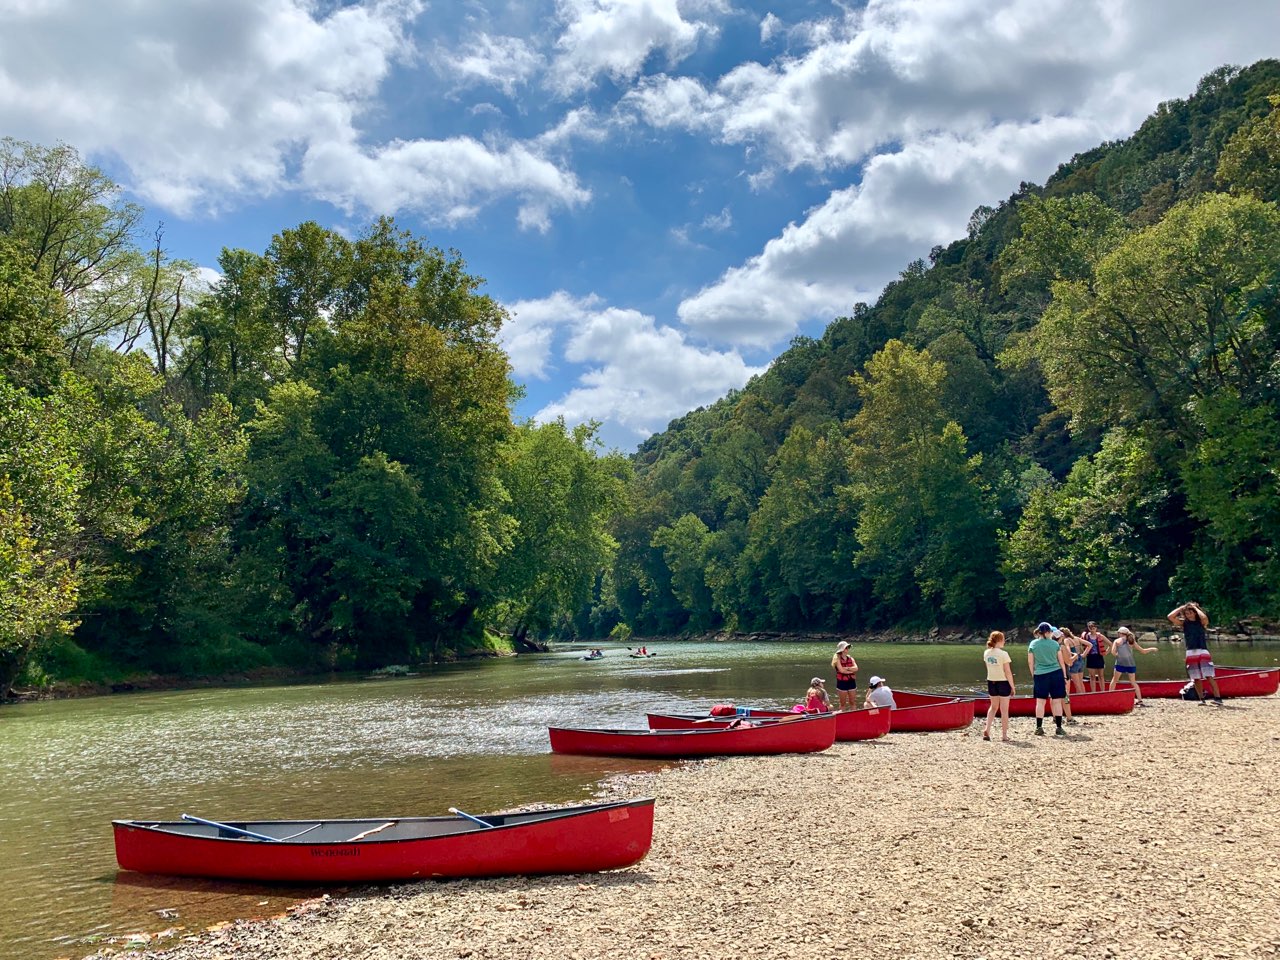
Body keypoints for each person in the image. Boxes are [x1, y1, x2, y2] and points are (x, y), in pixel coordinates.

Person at [1168, 601, 1222, 704]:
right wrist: (1182, 608)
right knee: (1195, 677)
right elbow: (1170, 616)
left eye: (1190, 613)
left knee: (1209, 676)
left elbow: (1205, 618)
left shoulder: (1201, 622)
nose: (1188, 615)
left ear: (1195, 613)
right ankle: (1202, 699)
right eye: (1187, 613)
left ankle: (1218, 698)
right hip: (1190, 651)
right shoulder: (1185, 623)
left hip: (1202, 650)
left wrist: (1195, 608)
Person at [1028, 621, 1068, 737]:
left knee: (1040, 702)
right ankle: (1059, 727)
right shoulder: (1055, 644)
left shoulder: (1033, 644)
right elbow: (1061, 661)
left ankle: (1039, 727)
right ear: (1047, 632)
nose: (1051, 633)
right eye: (1050, 631)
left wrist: (1033, 675)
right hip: (1056, 673)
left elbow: (1031, 662)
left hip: (1040, 674)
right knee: (1056, 701)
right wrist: (1064, 675)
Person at [981, 631, 1015, 742]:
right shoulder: (1003, 654)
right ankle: (1004, 735)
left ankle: (987, 729)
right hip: (1003, 682)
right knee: (1004, 710)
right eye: (1003, 639)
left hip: (991, 681)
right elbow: (1008, 672)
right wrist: (1012, 686)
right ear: (999, 641)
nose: (1004, 641)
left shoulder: (986, 653)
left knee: (993, 707)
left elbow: (987, 668)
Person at [1109, 626, 1156, 704]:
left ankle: (1110, 697)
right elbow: (1143, 651)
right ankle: (1140, 700)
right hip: (1131, 664)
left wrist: (1119, 655)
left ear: (1120, 633)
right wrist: (1152, 649)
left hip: (1120, 663)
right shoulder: (1131, 641)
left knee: (1114, 680)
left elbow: (1113, 652)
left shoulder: (1117, 641)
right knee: (1133, 682)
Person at [1081, 621, 1111, 691]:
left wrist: (1106, 652)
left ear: (1096, 628)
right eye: (1090, 627)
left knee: (1101, 676)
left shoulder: (1100, 636)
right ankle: (1093, 692)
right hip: (1090, 657)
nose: (1092, 629)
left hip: (1099, 656)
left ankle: (1103, 691)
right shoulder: (1086, 636)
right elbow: (1081, 645)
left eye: (1093, 627)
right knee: (1092, 676)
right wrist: (1083, 653)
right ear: (1088, 628)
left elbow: (1110, 644)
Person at [1059, 626, 1089, 695]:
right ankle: (1084, 699)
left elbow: (1069, 652)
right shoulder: (1076, 638)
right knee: (1081, 682)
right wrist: (1084, 654)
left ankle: (1080, 700)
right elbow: (1090, 645)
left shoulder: (1066, 640)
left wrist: (1070, 661)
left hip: (1074, 662)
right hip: (1081, 660)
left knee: (1077, 684)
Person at [831, 641, 859, 710]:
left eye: (848, 647)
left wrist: (848, 668)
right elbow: (841, 671)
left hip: (851, 681)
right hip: (842, 682)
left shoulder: (851, 658)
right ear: (842, 649)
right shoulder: (837, 659)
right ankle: (841, 717)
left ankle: (854, 716)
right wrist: (851, 671)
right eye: (846, 648)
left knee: (852, 702)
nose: (848, 649)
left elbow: (856, 668)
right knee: (842, 703)